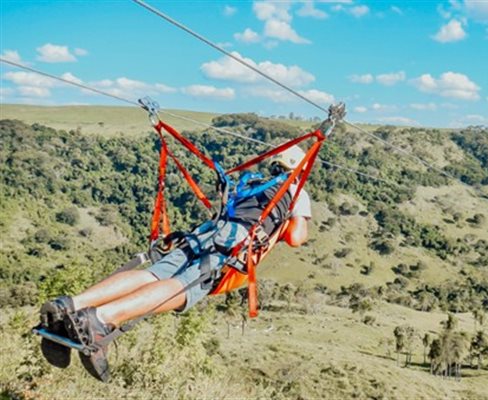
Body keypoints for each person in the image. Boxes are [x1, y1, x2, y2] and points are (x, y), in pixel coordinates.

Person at [38, 145, 312, 382]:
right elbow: (297, 237)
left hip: (206, 232)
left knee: (153, 275)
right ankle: (99, 320)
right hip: (234, 243)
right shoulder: (296, 191)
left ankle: (69, 306)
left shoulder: (253, 183)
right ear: (298, 171)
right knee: (183, 288)